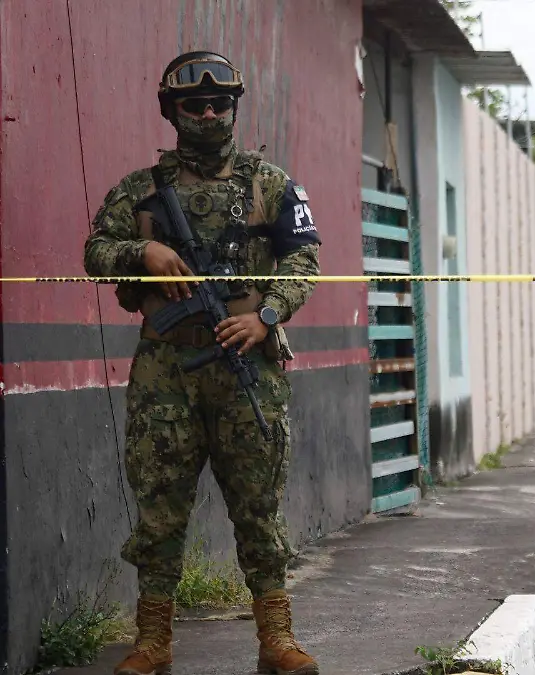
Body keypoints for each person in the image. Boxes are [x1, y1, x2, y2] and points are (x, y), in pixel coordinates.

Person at [82, 51, 322, 675]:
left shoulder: (272, 183)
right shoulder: (139, 191)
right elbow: (95, 251)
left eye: (220, 104)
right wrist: (146, 252)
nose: (210, 113)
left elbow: (305, 262)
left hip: (247, 369)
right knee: (160, 507)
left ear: (234, 108)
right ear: (173, 111)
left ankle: (276, 639)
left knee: (257, 507)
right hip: (167, 371)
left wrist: (265, 316)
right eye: (195, 104)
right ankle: (153, 643)